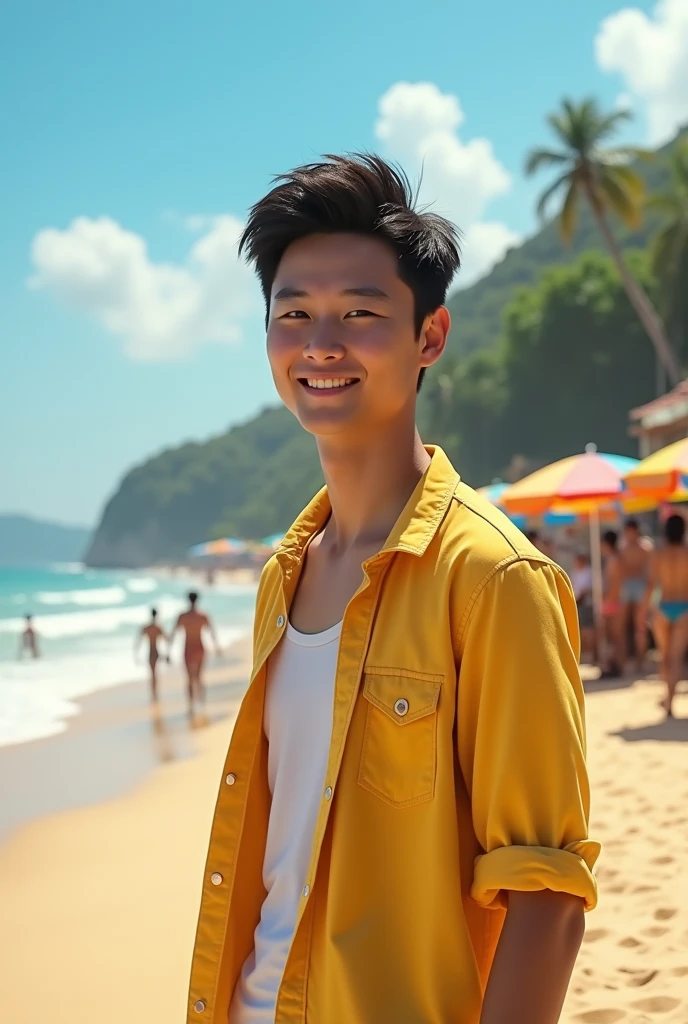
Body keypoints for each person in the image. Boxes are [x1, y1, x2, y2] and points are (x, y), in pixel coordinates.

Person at [186, 155, 598, 1024]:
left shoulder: (493, 580)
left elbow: (546, 891)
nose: (321, 344)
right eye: (292, 314)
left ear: (430, 337)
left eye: (360, 314)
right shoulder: (281, 577)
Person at [642, 513, 688, 718]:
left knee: (665, 657)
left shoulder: (659, 554)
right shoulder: (686, 553)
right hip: (684, 607)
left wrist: (642, 611)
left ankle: (667, 697)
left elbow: (652, 585)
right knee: (677, 658)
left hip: (663, 607)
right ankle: (670, 701)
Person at [170, 592, 219, 712]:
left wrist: (168, 651)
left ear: (188, 600)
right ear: (197, 600)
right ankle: (201, 702)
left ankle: (191, 705)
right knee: (199, 677)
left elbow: (174, 634)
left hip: (188, 648)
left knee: (189, 678)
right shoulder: (202, 616)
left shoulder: (182, 616)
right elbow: (212, 632)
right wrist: (217, 647)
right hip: (200, 648)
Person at [619, 518, 652, 672]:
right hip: (628, 585)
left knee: (640, 624)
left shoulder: (645, 547)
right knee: (623, 624)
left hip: (640, 584)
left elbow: (651, 569)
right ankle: (625, 659)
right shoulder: (624, 547)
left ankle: (641, 660)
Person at [600, 530, 623, 678]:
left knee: (613, 637)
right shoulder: (614, 559)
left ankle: (616, 665)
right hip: (613, 601)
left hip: (612, 602)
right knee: (613, 637)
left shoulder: (613, 560)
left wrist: (607, 602)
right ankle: (614, 664)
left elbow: (615, 584)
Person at [135, 608, 168, 703]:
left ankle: (154, 693)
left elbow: (138, 641)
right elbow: (166, 640)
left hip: (150, 652)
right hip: (157, 652)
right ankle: (155, 693)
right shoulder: (158, 627)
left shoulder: (146, 628)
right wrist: (167, 654)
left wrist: (136, 655)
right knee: (155, 673)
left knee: (152, 673)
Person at [571, 552, 595, 661]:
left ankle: (589, 653)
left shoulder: (589, 573)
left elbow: (588, 589)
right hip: (577, 603)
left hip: (586, 604)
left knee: (587, 629)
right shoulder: (575, 573)